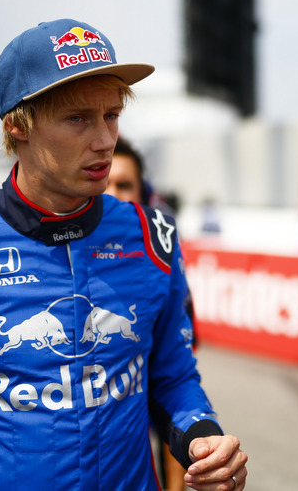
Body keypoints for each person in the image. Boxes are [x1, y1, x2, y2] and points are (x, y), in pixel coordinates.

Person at [0, 18, 247, 491]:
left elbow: (172, 377)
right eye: (78, 119)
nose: (105, 140)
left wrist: (202, 437)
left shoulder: (154, 236)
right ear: (17, 126)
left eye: (111, 115)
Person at [105, 135, 192, 491]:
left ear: (144, 193)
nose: (112, 194)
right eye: (104, 181)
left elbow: (173, 392)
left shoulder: (163, 258)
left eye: (124, 185)